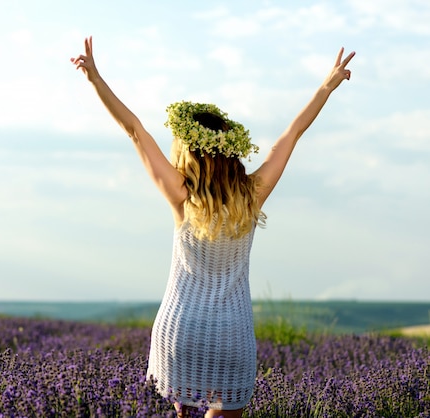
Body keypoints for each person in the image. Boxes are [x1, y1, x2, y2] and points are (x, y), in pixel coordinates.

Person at [71, 36, 354, 418]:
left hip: (180, 329)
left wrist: (96, 80)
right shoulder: (251, 195)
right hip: (231, 335)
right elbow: (292, 134)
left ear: (189, 150)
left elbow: (135, 129)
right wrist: (327, 86)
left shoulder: (182, 196)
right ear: (229, 150)